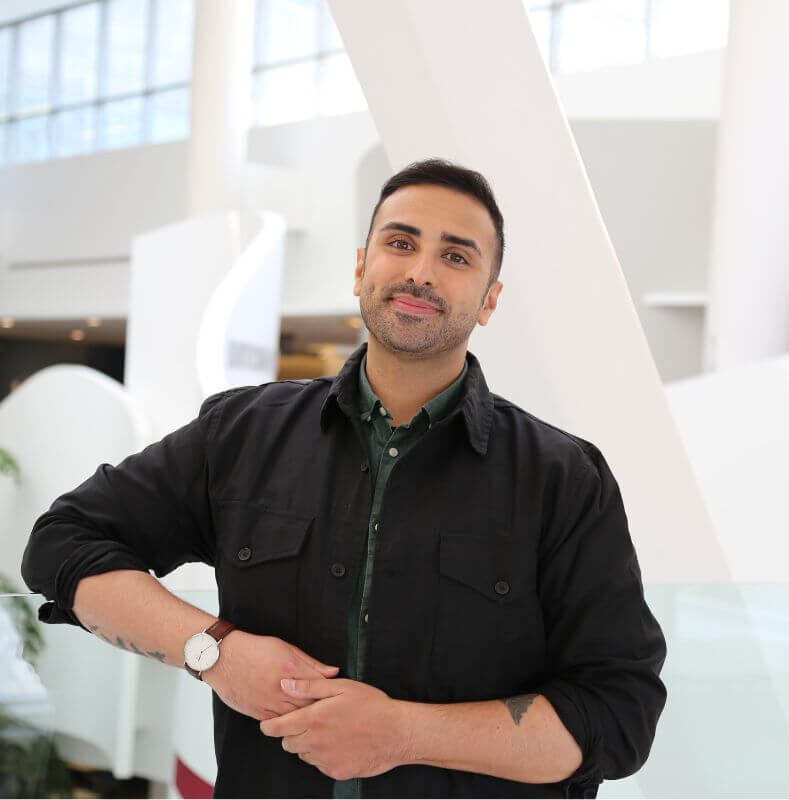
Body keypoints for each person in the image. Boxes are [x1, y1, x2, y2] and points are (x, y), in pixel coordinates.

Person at [21, 158, 667, 799]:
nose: (419, 271)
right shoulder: (243, 434)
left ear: (490, 300)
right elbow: (63, 544)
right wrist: (215, 652)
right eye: (401, 242)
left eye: (456, 257)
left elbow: (618, 713)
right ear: (362, 266)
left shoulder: (562, 478)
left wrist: (405, 733)